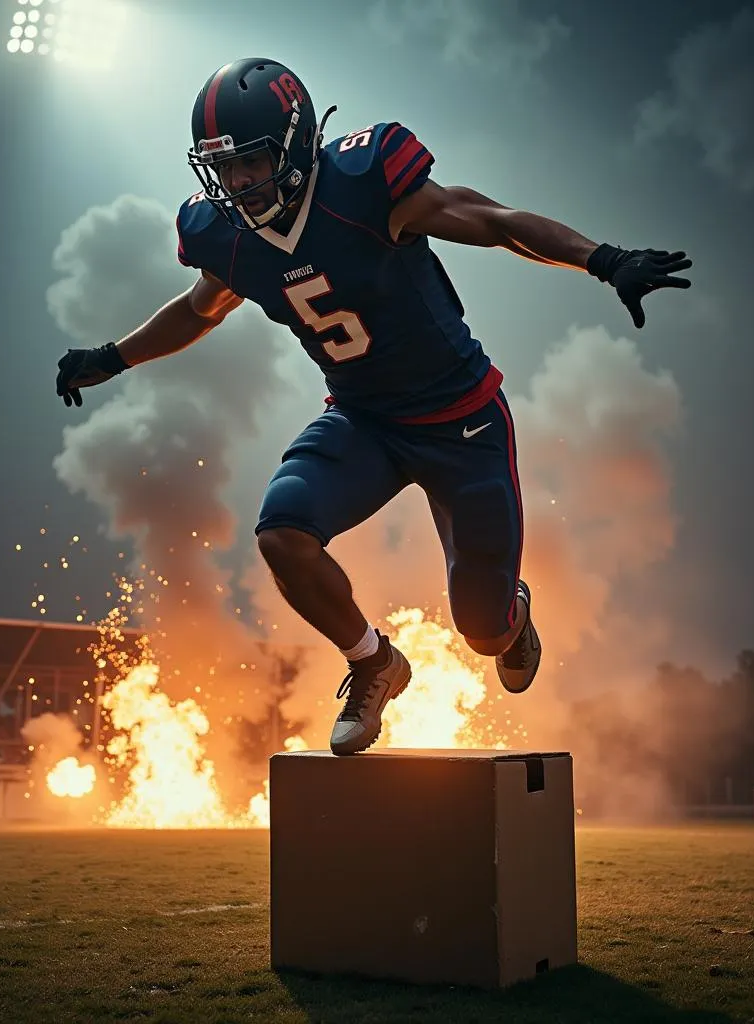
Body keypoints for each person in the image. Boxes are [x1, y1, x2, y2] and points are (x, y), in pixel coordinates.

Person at [56, 58, 692, 757]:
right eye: (222, 167)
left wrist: (603, 259)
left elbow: (493, 220)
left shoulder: (366, 182)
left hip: (463, 421)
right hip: (364, 421)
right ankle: (373, 663)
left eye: (250, 162)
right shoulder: (226, 235)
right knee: (282, 533)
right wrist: (113, 357)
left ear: (295, 143)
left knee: (483, 630)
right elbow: (199, 309)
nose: (236, 183)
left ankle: (512, 614)